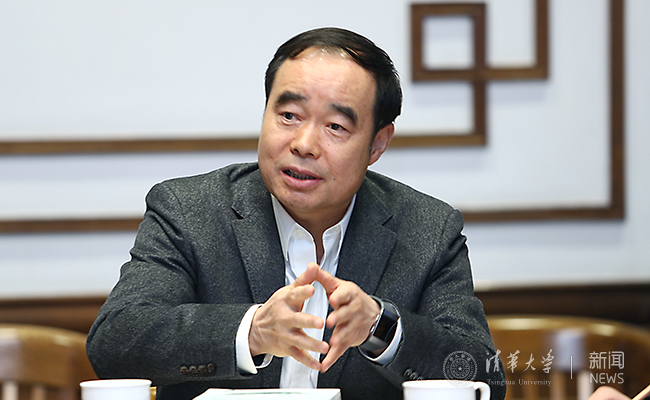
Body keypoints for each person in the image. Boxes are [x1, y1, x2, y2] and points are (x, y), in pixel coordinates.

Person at [86, 27, 506, 400]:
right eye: (288, 115)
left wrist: (380, 328)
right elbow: (115, 342)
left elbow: (482, 378)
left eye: (335, 126)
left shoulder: (429, 230)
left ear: (377, 145)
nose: (304, 144)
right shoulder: (189, 211)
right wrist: (251, 331)